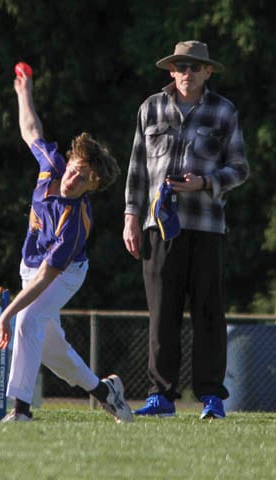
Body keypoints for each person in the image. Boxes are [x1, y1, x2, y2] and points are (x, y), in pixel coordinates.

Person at [0, 65, 132, 423]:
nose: (73, 179)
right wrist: (24, 93)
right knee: (51, 349)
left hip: (64, 274)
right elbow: (31, 131)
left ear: (93, 186)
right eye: (74, 169)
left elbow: (47, 277)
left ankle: (20, 412)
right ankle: (105, 392)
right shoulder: (51, 166)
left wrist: (7, 314)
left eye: (83, 179)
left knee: (27, 320)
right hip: (32, 266)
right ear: (68, 161)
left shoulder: (74, 224)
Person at [123, 40, 249, 419]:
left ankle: (211, 397)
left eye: (195, 67)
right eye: (181, 66)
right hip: (159, 227)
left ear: (208, 72)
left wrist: (205, 183)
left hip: (207, 227)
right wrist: (131, 216)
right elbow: (137, 169)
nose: (187, 73)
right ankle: (161, 397)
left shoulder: (224, 111)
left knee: (209, 312)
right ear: (171, 70)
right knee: (162, 314)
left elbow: (239, 169)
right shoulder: (150, 108)